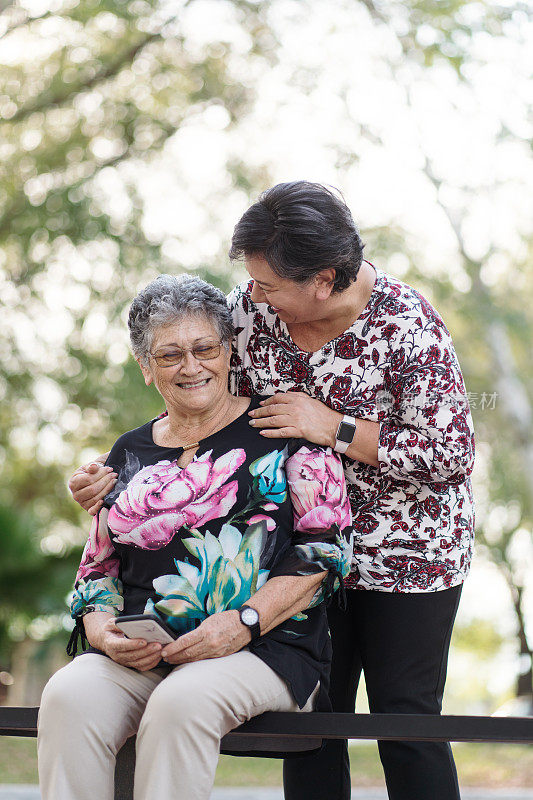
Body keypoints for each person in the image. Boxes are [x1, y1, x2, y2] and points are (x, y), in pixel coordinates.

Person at [70, 181, 475, 800]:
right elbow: (189, 387)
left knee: (407, 722)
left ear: (322, 279)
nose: (251, 296)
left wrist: (331, 427)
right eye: (252, 281)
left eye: (267, 284)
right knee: (310, 728)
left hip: (406, 556)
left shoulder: (408, 326)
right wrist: (112, 474)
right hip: (286, 548)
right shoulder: (252, 312)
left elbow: (449, 455)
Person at [39, 273, 353, 800]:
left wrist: (243, 623)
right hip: (147, 654)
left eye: (205, 347)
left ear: (229, 352)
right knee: (69, 694)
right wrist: (102, 635)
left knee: (181, 701)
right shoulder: (128, 452)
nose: (191, 366)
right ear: (145, 368)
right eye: (169, 355)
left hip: (263, 649)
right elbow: (97, 569)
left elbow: (325, 553)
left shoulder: (284, 430)